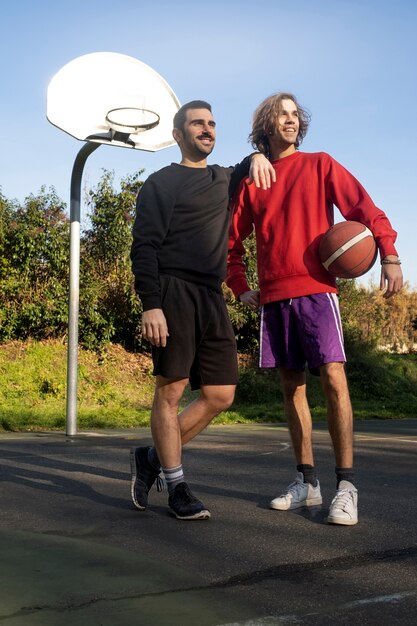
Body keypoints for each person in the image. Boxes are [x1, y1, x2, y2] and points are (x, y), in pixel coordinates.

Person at [226, 92, 403, 526]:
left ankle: (346, 486)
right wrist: (240, 286)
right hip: (274, 295)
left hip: (317, 291)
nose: (289, 120)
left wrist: (389, 253)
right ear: (266, 125)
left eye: (293, 115)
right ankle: (307, 481)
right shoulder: (253, 179)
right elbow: (230, 243)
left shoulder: (320, 164)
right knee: (292, 389)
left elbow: (363, 207)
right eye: (280, 115)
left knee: (335, 381)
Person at [130, 100, 275, 520]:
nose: (207, 129)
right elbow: (144, 247)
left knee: (220, 394)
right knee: (171, 390)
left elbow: (250, 163)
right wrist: (150, 304)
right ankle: (176, 486)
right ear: (178, 135)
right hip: (172, 291)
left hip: (212, 296)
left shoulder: (224, 179)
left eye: (212, 123)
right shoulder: (161, 183)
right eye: (197, 123)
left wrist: (259, 156)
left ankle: (152, 458)